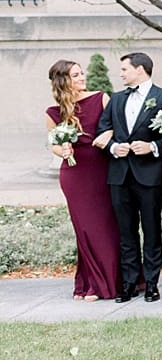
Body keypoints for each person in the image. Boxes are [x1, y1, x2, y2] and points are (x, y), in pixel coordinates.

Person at [97, 51, 162, 303]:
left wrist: (153, 147)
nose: (121, 73)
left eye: (125, 69)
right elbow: (103, 130)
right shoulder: (115, 99)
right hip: (119, 175)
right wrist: (114, 147)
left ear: (140, 69)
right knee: (126, 232)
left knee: (151, 228)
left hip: (149, 174)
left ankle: (152, 284)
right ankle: (129, 283)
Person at [44, 60, 120, 301]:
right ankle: (92, 283)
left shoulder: (100, 98)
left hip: (102, 168)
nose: (82, 77)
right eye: (76, 75)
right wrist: (63, 151)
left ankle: (111, 281)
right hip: (75, 175)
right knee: (85, 229)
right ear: (63, 81)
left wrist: (107, 135)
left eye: (81, 73)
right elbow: (53, 145)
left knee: (106, 225)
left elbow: (116, 128)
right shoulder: (53, 112)